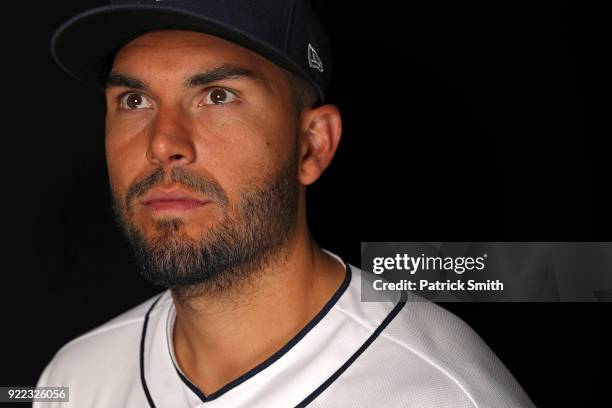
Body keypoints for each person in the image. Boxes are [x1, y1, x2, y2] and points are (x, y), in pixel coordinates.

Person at [36, 1, 535, 407]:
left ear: (313, 145)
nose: (163, 144)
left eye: (217, 95)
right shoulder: (74, 380)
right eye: (135, 101)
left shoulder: (442, 395)